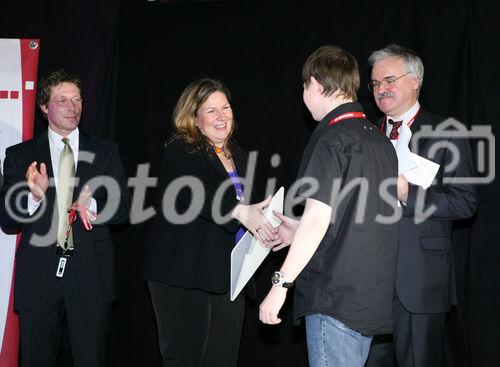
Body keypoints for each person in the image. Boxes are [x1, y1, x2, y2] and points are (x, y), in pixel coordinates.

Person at [258, 45, 399, 367]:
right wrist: (300, 229)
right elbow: (356, 216)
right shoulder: (379, 141)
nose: (304, 97)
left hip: (334, 295)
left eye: (305, 88)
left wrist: (280, 285)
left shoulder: (332, 139)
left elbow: (319, 218)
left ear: (317, 85)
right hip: (369, 295)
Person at [0, 69, 131, 366]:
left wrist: (93, 203)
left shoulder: (105, 152)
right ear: (45, 107)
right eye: (62, 100)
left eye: (77, 99)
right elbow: (7, 218)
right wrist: (34, 196)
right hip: (39, 276)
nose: (73, 107)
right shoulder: (20, 156)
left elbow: (124, 207)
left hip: (91, 274)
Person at [144, 78, 276, 367]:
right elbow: (192, 192)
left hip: (229, 278)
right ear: (194, 118)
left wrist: (267, 224)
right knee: (186, 360)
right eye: (211, 110)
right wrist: (240, 212)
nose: (221, 116)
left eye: (225, 108)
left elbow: (248, 209)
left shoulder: (238, 154)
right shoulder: (182, 150)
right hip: (184, 277)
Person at [365, 44, 477, 367]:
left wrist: (407, 193)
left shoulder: (447, 132)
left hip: (420, 281)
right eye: (374, 84)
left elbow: (465, 201)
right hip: (369, 283)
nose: (380, 90)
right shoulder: (365, 136)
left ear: (415, 80)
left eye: (389, 80)